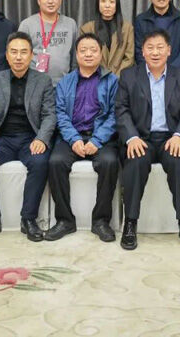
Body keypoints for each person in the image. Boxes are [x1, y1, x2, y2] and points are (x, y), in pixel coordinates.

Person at [115, 29, 180, 251]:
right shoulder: (129, 76)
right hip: (141, 137)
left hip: (171, 138)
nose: (155, 52)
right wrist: (132, 137)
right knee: (135, 162)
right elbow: (121, 109)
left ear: (169, 50)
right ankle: (130, 223)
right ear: (142, 51)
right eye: (150, 48)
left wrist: (179, 136)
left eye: (160, 47)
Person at [0, 32, 57, 243]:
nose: (18, 57)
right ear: (7, 55)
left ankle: (28, 219)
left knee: (40, 162)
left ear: (31, 55)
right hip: (3, 140)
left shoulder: (43, 80)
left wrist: (41, 139)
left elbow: (49, 115)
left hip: (31, 139)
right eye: (14, 52)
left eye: (23, 52)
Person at [45, 33, 120, 242]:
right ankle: (65, 221)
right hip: (72, 137)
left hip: (101, 138)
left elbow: (115, 114)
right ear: (76, 55)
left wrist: (97, 140)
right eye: (83, 50)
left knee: (109, 162)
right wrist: (74, 139)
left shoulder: (112, 81)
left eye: (93, 50)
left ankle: (101, 221)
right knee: (55, 162)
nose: (88, 54)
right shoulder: (65, 82)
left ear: (101, 54)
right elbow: (60, 113)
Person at [18, 0, 78, 85]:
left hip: (64, 85)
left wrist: (72, 81)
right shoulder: (27, 25)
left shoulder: (70, 23)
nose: (50, 1)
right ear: (39, 1)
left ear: (60, 0)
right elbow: (20, 56)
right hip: (34, 85)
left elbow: (75, 56)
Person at [79, 0, 134, 76]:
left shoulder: (127, 28)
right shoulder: (86, 29)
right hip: (95, 77)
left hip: (120, 78)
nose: (107, 5)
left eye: (112, 2)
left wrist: (114, 77)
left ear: (117, 5)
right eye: (103, 1)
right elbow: (86, 57)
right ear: (98, 4)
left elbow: (129, 58)